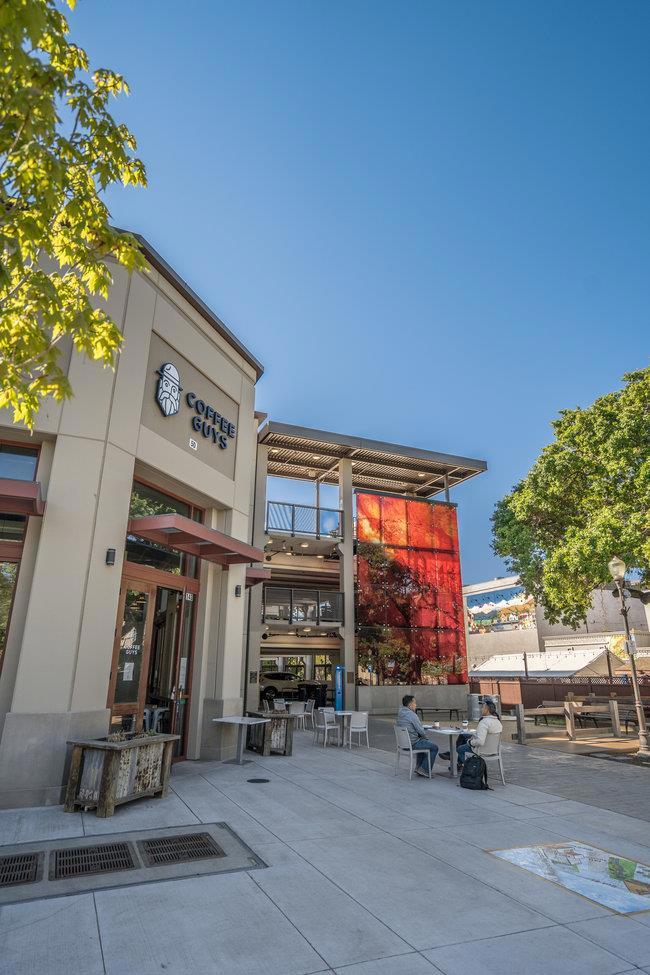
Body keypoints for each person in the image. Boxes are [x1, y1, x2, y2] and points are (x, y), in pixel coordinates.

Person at [396, 694, 439, 778]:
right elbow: (421, 731)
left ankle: (418, 767)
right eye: (415, 703)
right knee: (434, 747)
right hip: (412, 744)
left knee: (423, 742)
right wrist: (426, 738)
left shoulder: (400, 713)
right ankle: (424, 770)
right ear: (410, 704)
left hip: (403, 744)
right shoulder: (412, 715)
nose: (416, 705)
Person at [455, 699, 502, 771]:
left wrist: (470, 742)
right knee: (464, 737)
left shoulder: (484, 722)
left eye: (482, 707)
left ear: (487, 709)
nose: (481, 709)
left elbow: (480, 742)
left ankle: (472, 769)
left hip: (482, 751)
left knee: (460, 749)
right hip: (494, 750)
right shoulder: (498, 721)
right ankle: (460, 764)